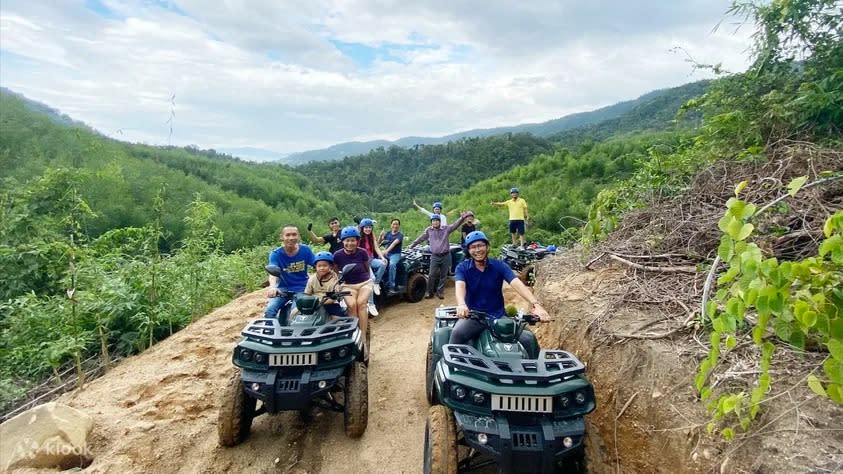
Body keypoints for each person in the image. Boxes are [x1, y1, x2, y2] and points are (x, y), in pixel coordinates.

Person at [452, 231, 549, 358]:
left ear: (487, 247)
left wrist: (536, 305)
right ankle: (451, 369)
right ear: (468, 250)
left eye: (480, 245)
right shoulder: (462, 268)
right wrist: (462, 304)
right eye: (473, 247)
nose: (477, 250)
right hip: (473, 316)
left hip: (498, 316)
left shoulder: (499, 266)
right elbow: (460, 286)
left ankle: (535, 374)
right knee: (457, 333)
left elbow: (516, 283)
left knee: (528, 340)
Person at [408, 212, 468, 299]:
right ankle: (430, 292)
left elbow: (455, 225)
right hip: (435, 256)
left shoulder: (445, 229)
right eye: (433, 221)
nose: (435, 222)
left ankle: (440, 292)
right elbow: (420, 238)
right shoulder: (429, 230)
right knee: (431, 274)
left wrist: (461, 218)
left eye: (436, 221)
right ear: (431, 222)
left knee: (443, 275)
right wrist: (412, 245)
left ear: (439, 222)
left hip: (445, 255)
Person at [264, 225, 316, 321]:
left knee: (296, 312)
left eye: (294, 235)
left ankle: (296, 335)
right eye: (287, 235)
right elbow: (272, 272)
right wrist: (272, 287)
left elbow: (317, 265)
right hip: (282, 289)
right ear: (282, 237)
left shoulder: (305, 250)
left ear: (299, 236)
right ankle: (270, 333)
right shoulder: (276, 254)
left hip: (302, 288)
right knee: (269, 310)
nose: (291, 238)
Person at [332, 226, 373, 346]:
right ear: (343, 241)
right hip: (348, 285)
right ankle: (354, 334)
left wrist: (367, 280)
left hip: (364, 283)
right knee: (351, 305)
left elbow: (367, 268)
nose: (350, 243)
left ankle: (364, 337)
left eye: (353, 240)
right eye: (347, 240)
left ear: (357, 241)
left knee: (361, 303)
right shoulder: (337, 255)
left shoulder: (362, 252)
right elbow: (335, 273)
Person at [296, 251, 345, 319]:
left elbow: (334, 297)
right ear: (315, 267)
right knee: (294, 312)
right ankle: (289, 328)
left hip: (330, 303)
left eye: (325, 265)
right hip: (313, 304)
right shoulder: (312, 279)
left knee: (337, 318)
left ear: (330, 266)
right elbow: (307, 294)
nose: (322, 268)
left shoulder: (334, 279)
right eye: (319, 266)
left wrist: (322, 303)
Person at [358, 218, 386, 316]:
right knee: (371, 278)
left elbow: (376, 248)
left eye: (369, 227)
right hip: (363, 262)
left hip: (371, 259)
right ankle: (370, 304)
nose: (368, 229)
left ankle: (377, 284)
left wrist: (382, 257)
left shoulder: (371, 236)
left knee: (383, 264)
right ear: (362, 228)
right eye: (366, 227)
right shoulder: (358, 238)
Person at [379, 218, 404, 295]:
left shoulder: (400, 235)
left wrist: (386, 251)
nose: (395, 226)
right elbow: (380, 242)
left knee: (392, 265)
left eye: (396, 224)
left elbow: (393, 244)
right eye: (393, 224)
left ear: (399, 226)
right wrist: (380, 235)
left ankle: (391, 286)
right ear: (391, 225)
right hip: (387, 253)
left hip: (395, 254)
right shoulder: (388, 233)